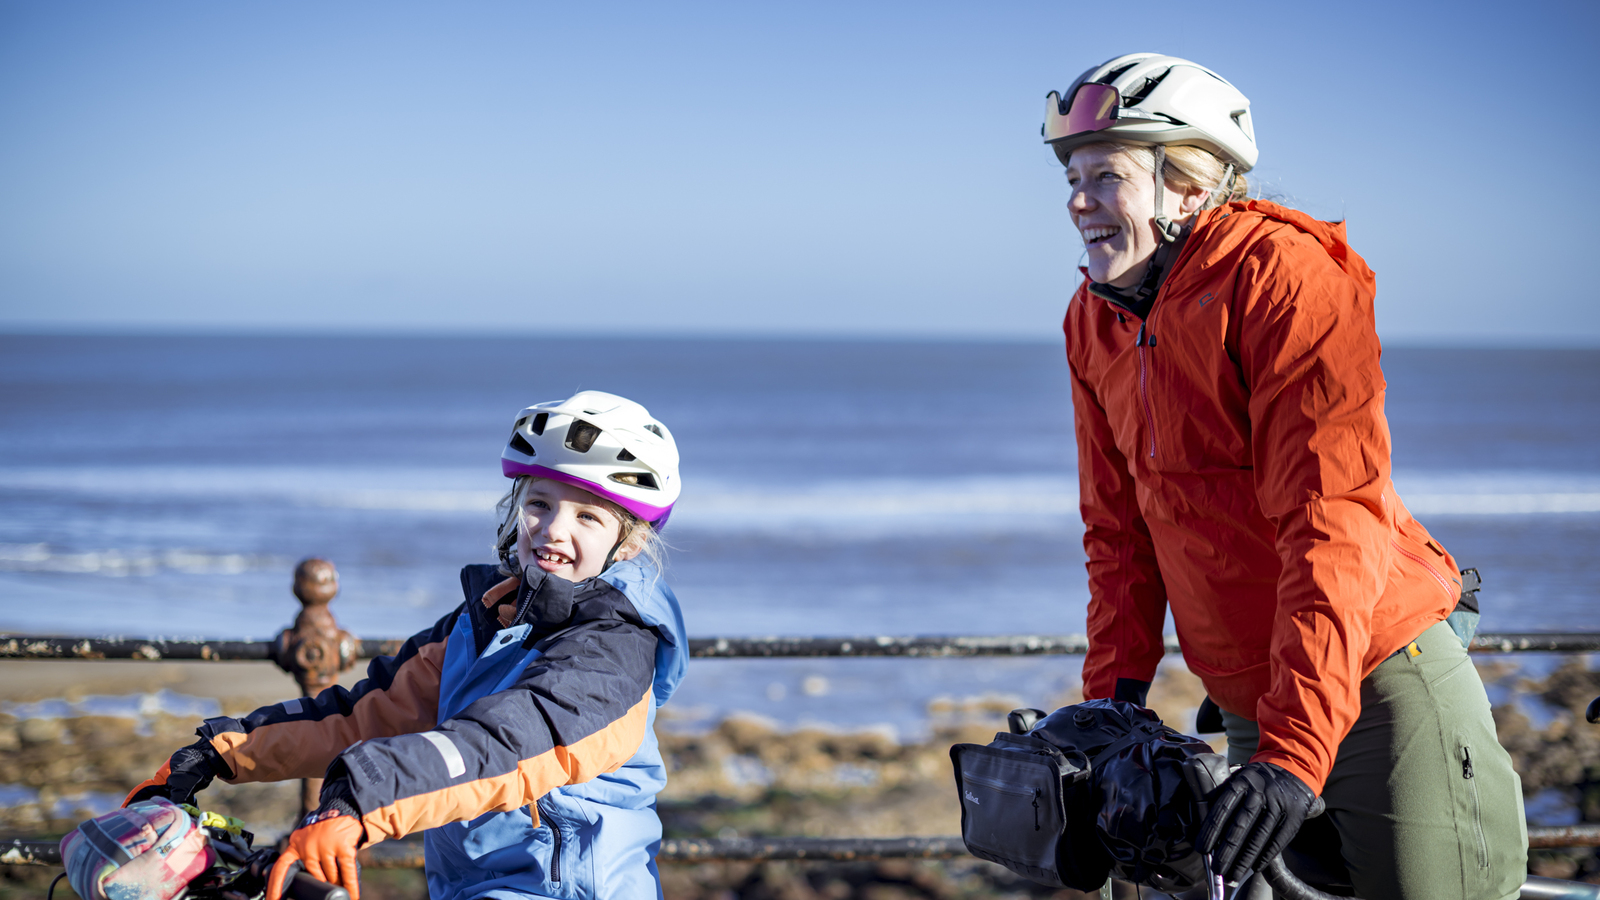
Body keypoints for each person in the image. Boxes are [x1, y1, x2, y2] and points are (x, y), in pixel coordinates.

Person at [1044, 53, 1526, 899]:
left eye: (1105, 176)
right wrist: (1104, 726)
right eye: (1072, 178)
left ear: (1188, 185)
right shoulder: (1095, 320)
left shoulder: (1286, 278)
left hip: (1378, 677)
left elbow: (1329, 520)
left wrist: (1297, 753)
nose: (1078, 201)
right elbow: (1120, 540)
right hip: (1252, 697)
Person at [123, 390, 688, 900]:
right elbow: (364, 714)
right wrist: (220, 754)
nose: (552, 530)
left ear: (631, 544)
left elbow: (503, 744)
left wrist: (359, 802)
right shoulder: (485, 621)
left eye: (587, 516)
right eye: (539, 503)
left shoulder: (614, 652)